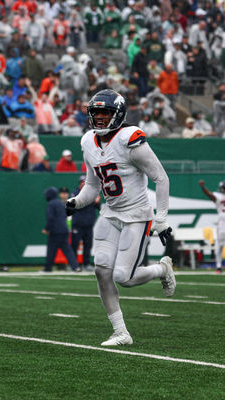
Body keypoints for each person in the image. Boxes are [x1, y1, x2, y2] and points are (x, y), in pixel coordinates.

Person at [65, 89, 176, 346]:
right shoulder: (88, 142)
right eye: (96, 113)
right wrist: (77, 202)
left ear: (118, 114)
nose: (100, 118)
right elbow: (93, 185)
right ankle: (121, 332)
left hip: (136, 215)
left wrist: (161, 219)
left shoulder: (130, 139)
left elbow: (161, 178)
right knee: (101, 270)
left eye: (105, 112)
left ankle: (162, 268)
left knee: (123, 277)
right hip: (110, 213)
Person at [43, 186, 81, 272]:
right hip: (64, 229)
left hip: (55, 230)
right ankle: (76, 267)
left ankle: (48, 268)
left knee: (51, 250)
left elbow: (50, 218)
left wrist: (46, 228)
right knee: (68, 250)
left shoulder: (51, 204)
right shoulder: (61, 203)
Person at [70, 175, 100, 271]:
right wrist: (92, 200)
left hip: (88, 224)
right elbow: (78, 205)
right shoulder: (75, 193)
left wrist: (96, 202)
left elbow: (98, 207)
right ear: (79, 184)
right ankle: (73, 265)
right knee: (74, 245)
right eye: (82, 182)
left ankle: (86, 264)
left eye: (85, 182)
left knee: (88, 245)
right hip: (78, 224)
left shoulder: (92, 193)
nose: (83, 184)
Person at [198, 180, 225, 273]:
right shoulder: (218, 196)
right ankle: (218, 266)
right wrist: (203, 187)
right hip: (222, 223)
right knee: (220, 246)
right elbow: (210, 195)